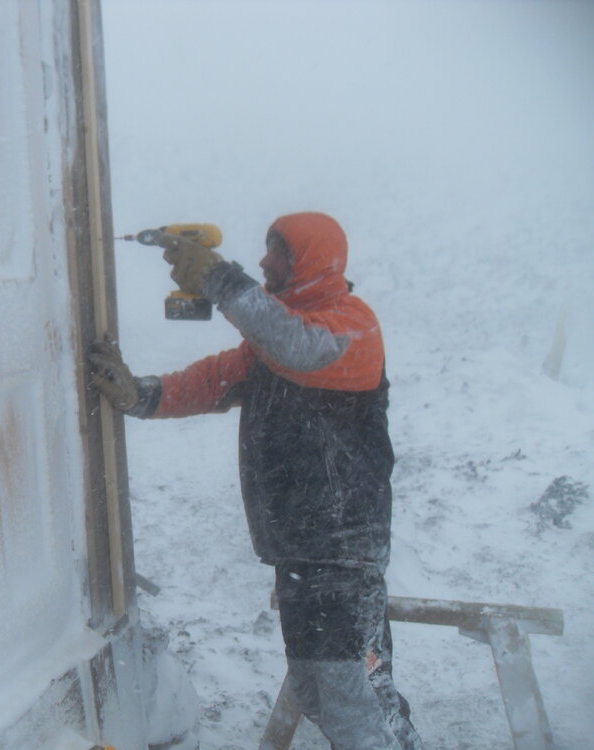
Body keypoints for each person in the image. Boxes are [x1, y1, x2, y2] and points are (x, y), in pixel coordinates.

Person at [88, 212, 422, 750]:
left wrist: (219, 279)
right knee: (319, 692)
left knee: (352, 696)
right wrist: (141, 394)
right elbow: (213, 379)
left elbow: (296, 346)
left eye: (279, 252)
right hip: (301, 549)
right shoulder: (274, 340)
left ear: (313, 262)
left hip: (342, 548)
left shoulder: (349, 326)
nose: (266, 261)